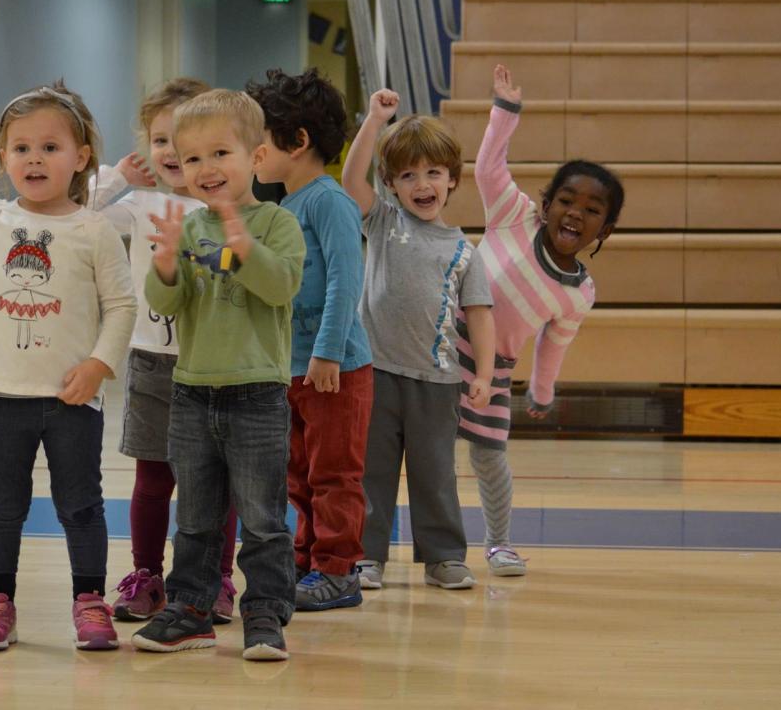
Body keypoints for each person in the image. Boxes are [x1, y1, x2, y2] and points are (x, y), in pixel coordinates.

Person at [0, 82, 137, 651]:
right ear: (5, 158)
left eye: (50, 148)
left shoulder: (94, 229)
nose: (34, 158)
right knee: (0, 506)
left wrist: (99, 364)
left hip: (72, 399)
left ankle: (90, 601)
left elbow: (122, 306)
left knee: (81, 504)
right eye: (21, 148)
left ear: (80, 157)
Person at [131, 89, 303, 661]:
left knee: (261, 516)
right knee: (197, 514)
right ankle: (190, 609)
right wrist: (164, 263)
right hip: (193, 390)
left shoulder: (279, 224)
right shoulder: (188, 225)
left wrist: (242, 240)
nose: (207, 169)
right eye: (193, 158)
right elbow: (168, 303)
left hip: (257, 394)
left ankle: (265, 613)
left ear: (255, 157)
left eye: (221, 154)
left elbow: (280, 287)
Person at [458, 65, 624, 576]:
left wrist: (544, 391)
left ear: (606, 229)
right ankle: (419, 549)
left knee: (489, 458)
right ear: (546, 204)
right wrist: (504, 112)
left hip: (494, 370)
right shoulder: (514, 214)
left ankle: (499, 543)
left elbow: (555, 343)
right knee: (416, 451)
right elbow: (487, 167)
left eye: (593, 209)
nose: (576, 213)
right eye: (567, 201)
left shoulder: (580, 292)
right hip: (437, 347)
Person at [89, 78, 242, 624]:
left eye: (184, 138)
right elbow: (78, 215)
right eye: (159, 140)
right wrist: (115, 179)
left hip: (215, 365)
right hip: (152, 362)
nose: (171, 151)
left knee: (214, 482)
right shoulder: (140, 204)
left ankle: (216, 578)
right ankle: (147, 575)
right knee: (153, 480)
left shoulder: (227, 209)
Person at [340, 88, 496, 592]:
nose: (421, 184)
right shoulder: (383, 223)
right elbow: (350, 179)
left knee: (435, 476)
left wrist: (486, 376)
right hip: (376, 374)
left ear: (452, 179)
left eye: (432, 173)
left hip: (437, 383)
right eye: (407, 175)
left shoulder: (465, 251)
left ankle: (444, 556)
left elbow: (481, 316)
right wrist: (373, 120)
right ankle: (367, 556)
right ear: (391, 184)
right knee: (372, 473)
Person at [245, 68, 373, 611]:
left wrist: (326, 353)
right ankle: (306, 559)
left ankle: (338, 570)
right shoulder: (280, 207)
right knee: (298, 471)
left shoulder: (329, 201)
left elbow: (347, 280)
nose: (252, 153)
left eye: (260, 140)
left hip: (335, 369)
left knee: (334, 473)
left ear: (297, 142)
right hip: (290, 368)